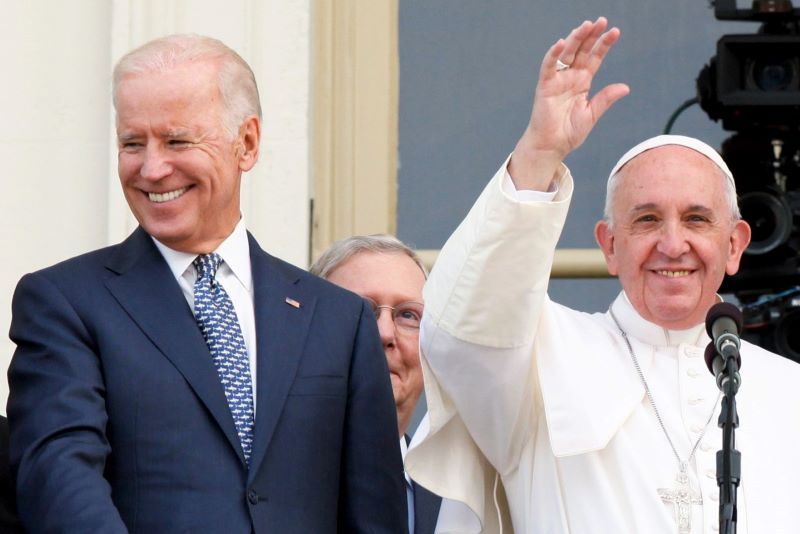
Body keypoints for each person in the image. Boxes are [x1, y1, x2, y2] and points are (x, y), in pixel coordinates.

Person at [405, 17, 800, 534]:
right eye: (647, 219)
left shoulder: (789, 393)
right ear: (610, 246)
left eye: (697, 219)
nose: (673, 243)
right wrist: (539, 154)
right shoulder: (539, 362)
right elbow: (463, 330)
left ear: (735, 246)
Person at [7, 34, 406, 533]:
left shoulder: (338, 319)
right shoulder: (66, 303)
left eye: (177, 140)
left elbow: (374, 514)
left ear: (248, 143)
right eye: (133, 143)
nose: (152, 168)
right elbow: (58, 482)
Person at [310, 234, 442, 534]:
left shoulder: (462, 496)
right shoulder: (270, 481)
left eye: (408, 315)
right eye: (361, 311)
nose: (384, 333)